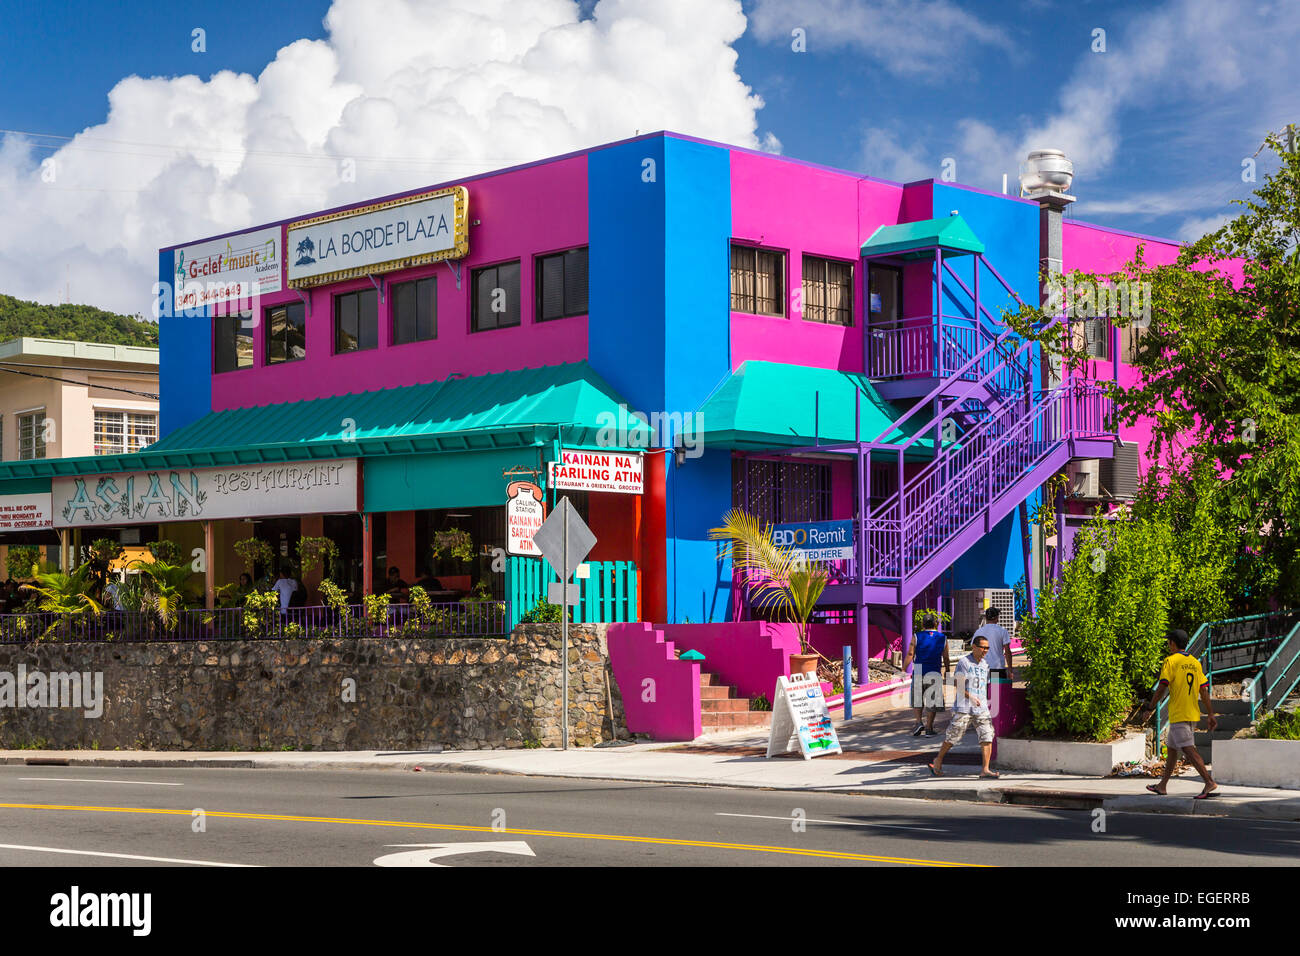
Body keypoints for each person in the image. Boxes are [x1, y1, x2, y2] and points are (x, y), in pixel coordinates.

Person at [1136, 629, 1218, 799]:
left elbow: (1162, 686)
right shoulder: (1195, 663)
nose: (1168, 645)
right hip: (1190, 713)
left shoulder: (1170, 661)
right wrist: (1210, 714)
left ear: (1172, 643)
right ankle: (1162, 785)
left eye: (1168, 642)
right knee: (1172, 749)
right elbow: (1204, 690)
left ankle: (1209, 782)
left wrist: (1150, 708)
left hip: (1180, 714)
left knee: (1188, 749)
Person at [928, 633, 999, 778]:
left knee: (987, 735)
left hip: (981, 707)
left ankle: (985, 769)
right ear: (973, 647)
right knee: (953, 736)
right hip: (964, 707)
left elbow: (985, 685)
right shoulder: (964, 663)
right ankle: (938, 759)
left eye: (987, 648)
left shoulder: (985, 665)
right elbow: (958, 684)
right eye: (982, 648)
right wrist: (971, 697)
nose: (985, 651)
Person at [903, 613, 949, 737]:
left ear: (922, 624)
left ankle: (918, 723)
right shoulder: (942, 638)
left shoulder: (916, 636)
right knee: (932, 702)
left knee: (918, 700)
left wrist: (903, 670)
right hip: (934, 670)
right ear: (936, 624)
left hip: (918, 670)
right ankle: (929, 728)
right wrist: (948, 672)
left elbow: (910, 654)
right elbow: (945, 657)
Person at [973, 606, 1014, 682]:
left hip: (982, 670)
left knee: (983, 693)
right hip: (997, 668)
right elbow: (1007, 652)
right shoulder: (1002, 631)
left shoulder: (978, 632)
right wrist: (1010, 669)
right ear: (996, 618)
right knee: (995, 693)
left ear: (986, 618)